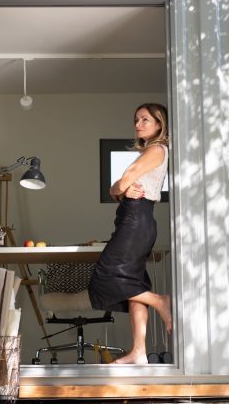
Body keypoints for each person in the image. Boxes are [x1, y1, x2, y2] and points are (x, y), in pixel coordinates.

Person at [88, 102, 172, 365]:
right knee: (133, 284)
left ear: (159, 124)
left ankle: (160, 301)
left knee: (104, 278)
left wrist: (121, 188)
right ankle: (138, 352)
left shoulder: (156, 149)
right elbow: (115, 187)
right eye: (136, 119)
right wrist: (120, 189)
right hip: (138, 219)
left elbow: (122, 181)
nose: (138, 124)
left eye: (145, 119)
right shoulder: (151, 151)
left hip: (136, 219)